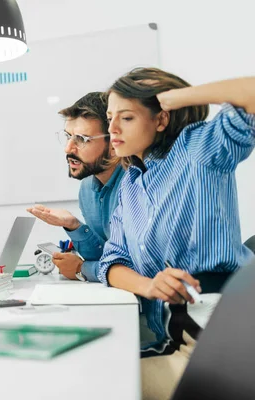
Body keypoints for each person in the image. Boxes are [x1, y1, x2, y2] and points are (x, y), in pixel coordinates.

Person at [99, 67, 255, 399]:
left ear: (161, 119)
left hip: (217, 336)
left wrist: (173, 98)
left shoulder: (196, 148)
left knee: (100, 381)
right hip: (173, 336)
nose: (111, 128)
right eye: (110, 117)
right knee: (99, 370)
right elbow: (111, 261)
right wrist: (148, 285)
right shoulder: (129, 186)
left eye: (125, 117)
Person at [27, 92, 123, 281]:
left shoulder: (134, 185)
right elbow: (102, 255)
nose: (68, 148)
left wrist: (82, 269)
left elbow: (129, 266)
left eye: (82, 139)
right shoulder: (87, 188)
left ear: (113, 143)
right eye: (68, 136)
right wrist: (73, 226)